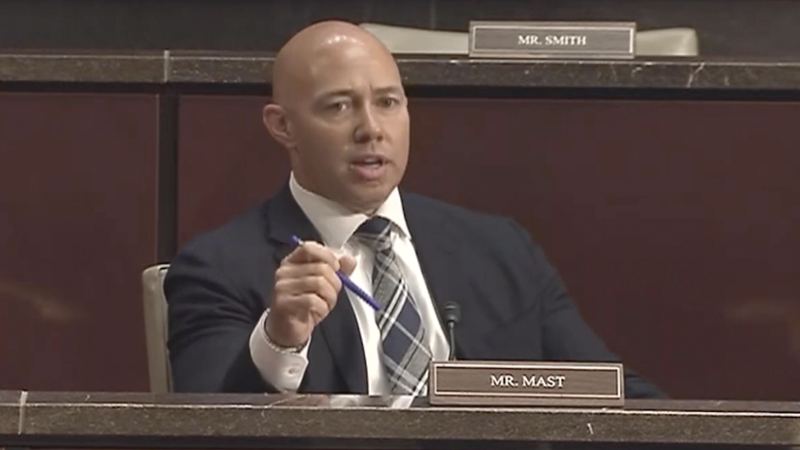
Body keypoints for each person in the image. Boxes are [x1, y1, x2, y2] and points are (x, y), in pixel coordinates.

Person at [164, 20, 663, 398]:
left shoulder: (500, 249)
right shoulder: (220, 267)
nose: (371, 129)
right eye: (339, 106)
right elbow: (204, 430)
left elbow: (612, 395)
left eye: (387, 103)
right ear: (283, 126)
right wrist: (279, 340)